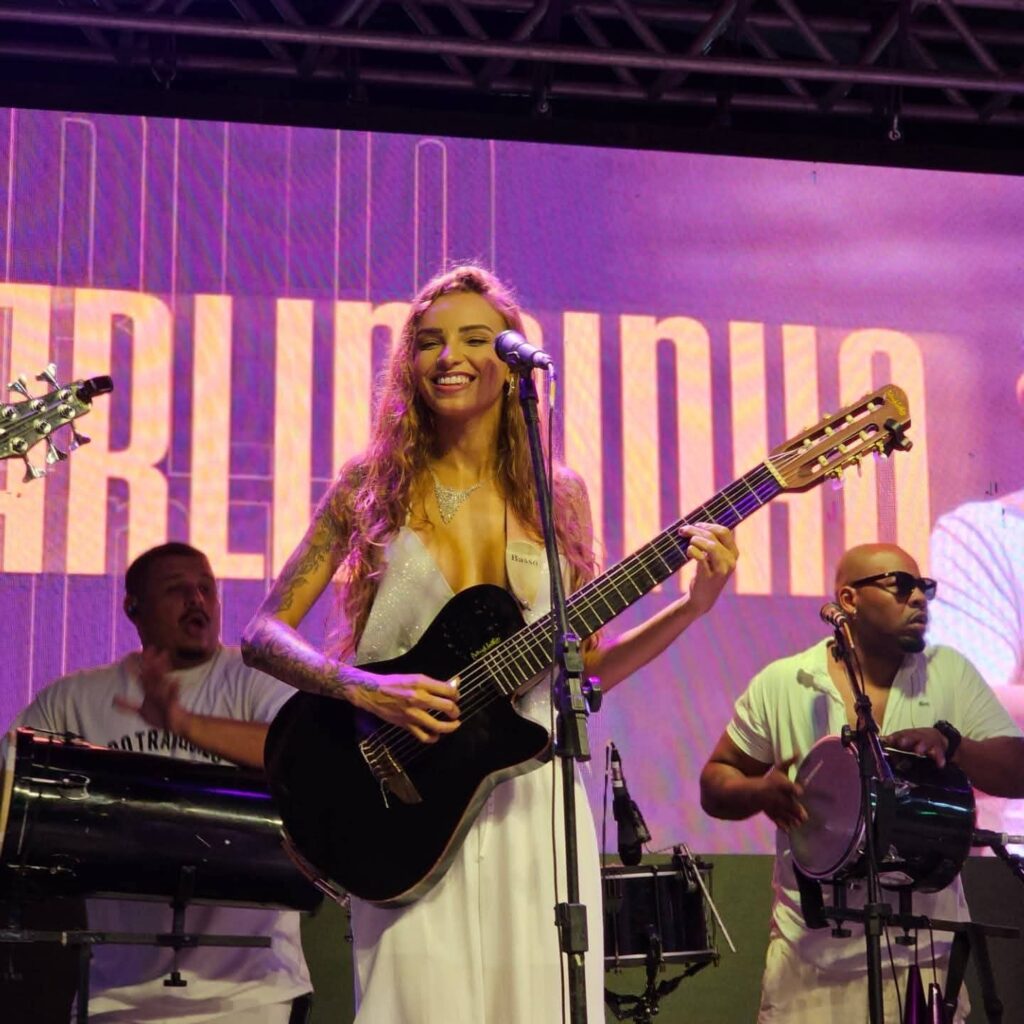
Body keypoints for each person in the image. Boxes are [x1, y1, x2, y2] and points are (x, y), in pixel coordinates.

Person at [240, 263, 739, 1023]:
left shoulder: (558, 494)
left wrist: (691, 609)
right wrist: (361, 687)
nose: (450, 356)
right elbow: (262, 633)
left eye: (477, 339)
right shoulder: (369, 484)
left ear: (512, 365)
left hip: (531, 802)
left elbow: (587, 667)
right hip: (406, 803)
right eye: (429, 342)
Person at [700, 542, 1024, 1024]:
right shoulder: (785, 682)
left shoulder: (949, 673)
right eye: (902, 585)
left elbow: (1017, 769)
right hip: (808, 968)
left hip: (923, 963)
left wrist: (953, 744)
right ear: (848, 600)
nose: (919, 598)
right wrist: (757, 792)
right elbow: (715, 779)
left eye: (924, 587)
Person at [4, 542, 313, 1024]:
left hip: (251, 995)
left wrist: (182, 723)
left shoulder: (256, 678)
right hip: (117, 997)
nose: (197, 600)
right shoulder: (74, 700)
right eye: (176, 589)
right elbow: (10, 787)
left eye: (206, 588)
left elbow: (299, 758)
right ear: (134, 608)